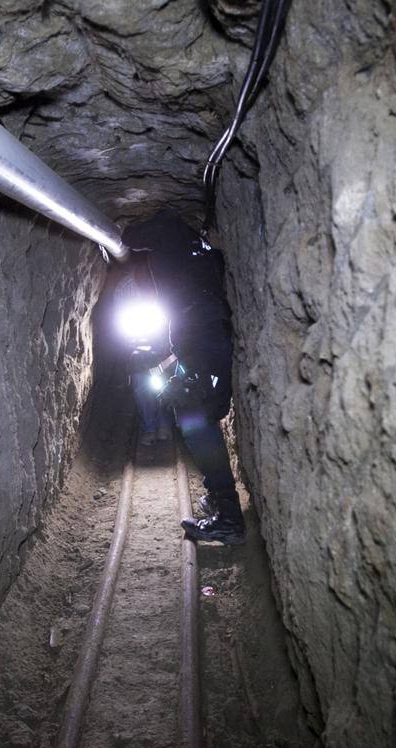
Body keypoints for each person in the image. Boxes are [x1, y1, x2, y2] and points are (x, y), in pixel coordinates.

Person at [120, 209, 245, 545]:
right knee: (200, 419)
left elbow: (129, 237)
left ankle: (230, 520)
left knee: (196, 423)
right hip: (208, 343)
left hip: (204, 347)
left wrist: (142, 220)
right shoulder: (195, 246)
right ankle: (219, 500)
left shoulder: (167, 228)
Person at [113, 271, 174, 445]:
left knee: (166, 380)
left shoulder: (167, 281)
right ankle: (150, 426)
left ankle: (164, 423)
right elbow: (119, 322)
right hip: (137, 346)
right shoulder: (124, 288)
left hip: (166, 345)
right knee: (141, 381)